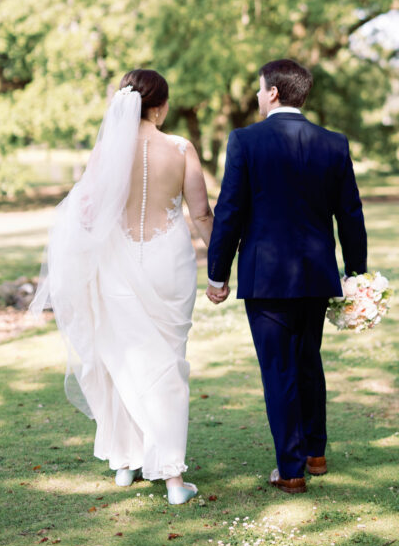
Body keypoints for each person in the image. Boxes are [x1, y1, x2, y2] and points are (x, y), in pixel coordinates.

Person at [31, 69, 214, 505]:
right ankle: (171, 478)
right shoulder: (181, 148)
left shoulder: (106, 153)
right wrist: (223, 268)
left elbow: (86, 213)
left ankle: (125, 462)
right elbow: (202, 214)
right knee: (167, 362)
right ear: (161, 106)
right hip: (169, 261)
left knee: (122, 359)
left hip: (118, 263)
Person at [206, 58, 367, 493]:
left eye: (260, 89)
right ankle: (315, 452)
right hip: (317, 274)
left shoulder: (245, 141)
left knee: (280, 370)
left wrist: (217, 274)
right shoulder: (333, 143)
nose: (257, 97)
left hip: (266, 277)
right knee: (308, 361)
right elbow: (350, 214)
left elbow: (230, 212)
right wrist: (357, 273)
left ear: (274, 92)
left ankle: (291, 470)